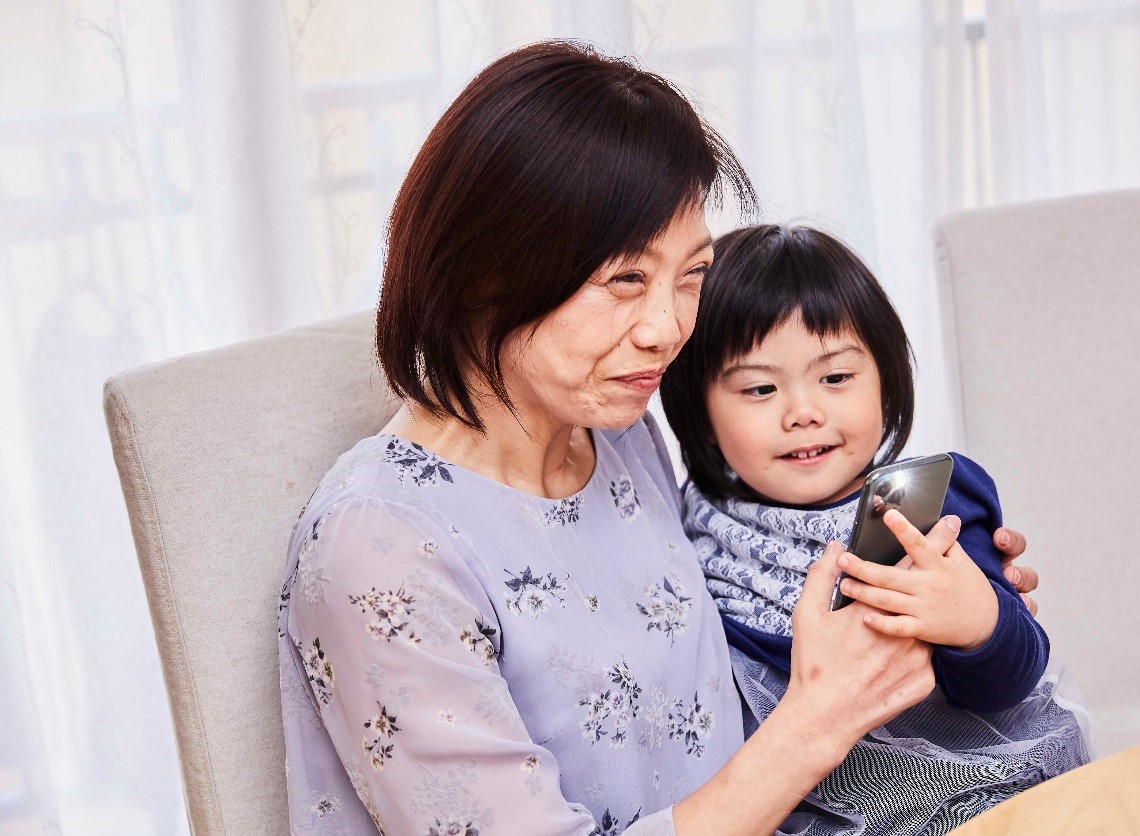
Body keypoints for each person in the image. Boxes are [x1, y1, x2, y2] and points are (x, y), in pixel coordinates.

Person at [278, 41, 1040, 836]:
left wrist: (966, 609)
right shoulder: (382, 548)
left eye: (691, 275)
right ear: (481, 273)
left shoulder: (614, 433)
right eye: (625, 280)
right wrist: (815, 721)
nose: (667, 329)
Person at [659, 224, 1094, 835]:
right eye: (760, 388)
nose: (803, 412)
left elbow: (1010, 682)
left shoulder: (927, 503)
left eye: (835, 378)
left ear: (884, 383)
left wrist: (977, 624)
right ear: (700, 414)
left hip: (974, 797)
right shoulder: (687, 531)